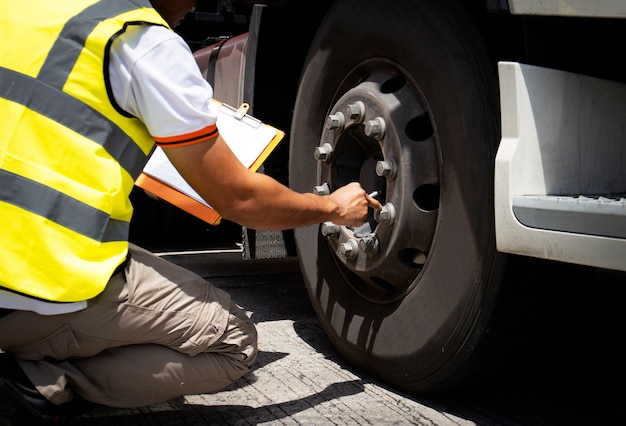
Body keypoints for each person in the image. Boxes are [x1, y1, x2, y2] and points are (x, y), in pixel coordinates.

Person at [0, 0, 381, 424]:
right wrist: (332, 206)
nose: (199, 3)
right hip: (31, 285)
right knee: (233, 343)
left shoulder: (19, 12)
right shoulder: (141, 42)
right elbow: (241, 200)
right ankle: (36, 384)